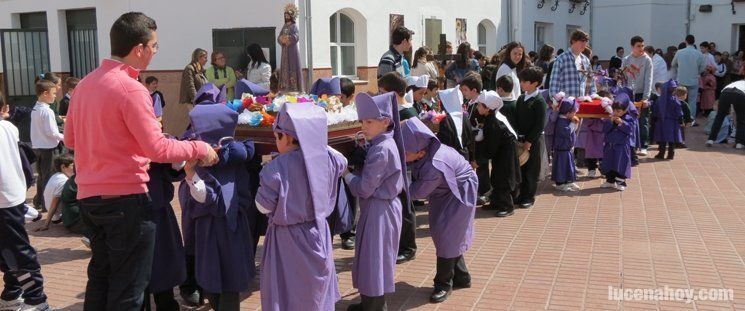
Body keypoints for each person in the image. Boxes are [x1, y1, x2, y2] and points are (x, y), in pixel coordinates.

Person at [64, 12, 219, 310]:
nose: (155, 52)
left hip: (90, 198)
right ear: (139, 49)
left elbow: (70, 140)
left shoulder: (84, 85)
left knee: (100, 278)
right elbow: (157, 149)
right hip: (125, 200)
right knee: (128, 289)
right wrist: (198, 147)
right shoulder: (131, 88)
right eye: (155, 46)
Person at [256, 102, 346, 311]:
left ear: (286, 137)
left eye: (277, 136)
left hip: (289, 239)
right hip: (319, 232)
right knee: (315, 291)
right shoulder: (329, 158)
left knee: (290, 294)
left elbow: (262, 207)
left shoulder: (276, 168)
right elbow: (342, 160)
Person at [179, 104, 256, 311]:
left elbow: (205, 197)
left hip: (214, 228)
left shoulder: (205, 164)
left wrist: (190, 174)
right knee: (221, 282)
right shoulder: (239, 155)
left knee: (223, 284)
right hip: (230, 228)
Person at [401, 117, 476, 303]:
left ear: (420, 152)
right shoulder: (425, 149)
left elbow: (416, 192)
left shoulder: (434, 165)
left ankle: (443, 284)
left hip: (459, 193)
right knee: (448, 234)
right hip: (445, 192)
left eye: (404, 152)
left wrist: (392, 192)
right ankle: (461, 276)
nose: (401, 155)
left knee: (447, 235)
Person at [344, 92, 406, 311]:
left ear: (386, 121)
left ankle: (376, 306)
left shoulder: (381, 149)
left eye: (369, 121)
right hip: (380, 208)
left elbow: (365, 188)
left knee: (375, 259)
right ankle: (368, 303)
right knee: (372, 257)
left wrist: (346, 175)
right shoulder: (383, 143)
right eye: (362, 121)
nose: (364, 126)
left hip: (380, 210)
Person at [0, 93, 51, 311]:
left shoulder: (6, 128)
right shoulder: (9, 127)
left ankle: (36, 300)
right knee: (7, 250)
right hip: (11, 197)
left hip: (5, 201)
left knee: (17, 251)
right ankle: (12, 295)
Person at [143, 159, 188, 311]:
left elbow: (173, 171)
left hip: (156, 205)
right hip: (130, 204)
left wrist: (176, 157)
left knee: (162, 266)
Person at [473, 91, 520, 217]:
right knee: (495, 176)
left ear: (488, 108)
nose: (477, 107)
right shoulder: (491, 117)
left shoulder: (494, 122)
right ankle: (496, 201)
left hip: (505, 153)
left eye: (479, 105)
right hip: (500, 152)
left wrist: (479, 161)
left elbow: (491, 147)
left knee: (503, 178)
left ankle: (507, 206)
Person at [514, 66, 547, 209]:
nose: (521, 83)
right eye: (521, 80)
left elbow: (539, 124)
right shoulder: (521, 98)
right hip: (521, 139)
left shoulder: (539, 101)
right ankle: (521, 194)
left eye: (525, 81)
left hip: (533, 141)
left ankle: (529, 196)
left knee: (531, 169)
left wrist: (529, 141)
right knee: (521, 167)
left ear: (535, 83)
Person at [30, 79, 62, 213]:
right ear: (45, 93)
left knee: (42, 176)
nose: (55, 96)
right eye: (53, 93)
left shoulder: (35, 108)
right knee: (48, 176)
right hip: (48, 148)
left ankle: (39, 201)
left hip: (38, 147)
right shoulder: (47, 111)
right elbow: (52, 132)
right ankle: (46, 204)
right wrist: (64, 137)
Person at [164, 48, 208, 137]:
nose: (206, 60)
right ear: (198, 57)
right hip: (193, 101)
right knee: (196, 121)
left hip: (201, 101)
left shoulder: (201, 70)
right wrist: (195, 100)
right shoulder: (190, 68)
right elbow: (190, 86)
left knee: (199, 121)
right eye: (205, 58)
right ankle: (192, 138)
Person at [622, 36, 653, 157]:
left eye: (642, 46)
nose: (641, 48)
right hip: (628, 93)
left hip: (641, 93)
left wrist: (646, 97)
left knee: (643, 120)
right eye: (638, 46)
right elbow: (622, 77)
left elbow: (648, 79)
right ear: (632, 47)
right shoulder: (626, 59)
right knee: (628, 119)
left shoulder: (647, 60)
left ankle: (644, 146)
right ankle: (631, 144)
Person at [601, 93, 635, 191]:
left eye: (618, 111)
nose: (615, 112)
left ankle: (621, 181)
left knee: (620, 163)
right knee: (609, 163)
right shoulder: (610, 118)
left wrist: (622, 123)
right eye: (614, 110)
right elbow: (604, 130)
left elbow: (630, 130)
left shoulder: (628, 119)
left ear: (624, 110)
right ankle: (610, 181)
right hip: (610, 145)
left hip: (621, 146)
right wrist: (610, 122)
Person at [549, 30, 596, 98]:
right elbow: (554, 84)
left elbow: (591, 81)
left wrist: (593, 96)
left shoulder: (586, 60)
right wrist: (555, 101)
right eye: (582, 41)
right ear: (573, 41)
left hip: (582, 103)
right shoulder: (561, 59)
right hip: (565, 104)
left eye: (586, 42)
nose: (584, 44)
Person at [34, 153, 74, 232]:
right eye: (72, 166)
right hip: (58, 217)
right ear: (63, 167)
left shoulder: (55, 175)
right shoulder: (63, 181)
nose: (75, 169)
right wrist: (46, 224)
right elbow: (54, 202)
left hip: (54, 215)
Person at [671, 35, 705, 125]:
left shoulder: (679, 52)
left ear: (685, 41)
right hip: (693, 79)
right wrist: (697, 72)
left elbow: (673, 64)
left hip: (681, 79)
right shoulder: (699, 53)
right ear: (694, 42)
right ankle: (691, 120)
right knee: (692, 101)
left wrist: (680, 68)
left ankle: (679, 118)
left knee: (679, 99)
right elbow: (702, 68)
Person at [437, 86, 474, 162]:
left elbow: (444, 143)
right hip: (465, 157)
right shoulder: (465, 117)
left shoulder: (445, 120)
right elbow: (471, 139)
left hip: (451, 159)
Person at [551, 98, 580, 192]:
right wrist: (573, 123)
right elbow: (566, 132)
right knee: (561, 167)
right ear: (567, 112)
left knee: (568, 166)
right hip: (561, 149)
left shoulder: (567, 119)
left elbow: (573, 131)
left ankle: (568, 181)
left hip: (567, 149)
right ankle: (560, 183)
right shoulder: (561, 121)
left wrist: (574, 123)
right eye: (573, 112)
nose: (574, 114)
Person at [706, 79, 745, 149]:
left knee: (719, 118)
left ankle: (710, 140)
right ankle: (739, 143)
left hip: (725, 92)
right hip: (740, 95)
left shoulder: (736, 82)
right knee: (741, 120)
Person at [651, 80, 684, 160]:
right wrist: (680, 120)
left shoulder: (660, 100)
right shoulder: (674, 100)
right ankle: (670, 154)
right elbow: (679, 111)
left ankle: (661, 153)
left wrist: (654, 119)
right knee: (671, 139)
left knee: (662, 139)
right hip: (672, 122)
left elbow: (655, 111)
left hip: (662, 122)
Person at [278, 4, 304, 92]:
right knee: (285, 67)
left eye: (287, 15)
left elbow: (296, 36)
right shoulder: (284, 26)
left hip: (292, 50)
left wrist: (288, 38)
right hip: (285, 51)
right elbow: (279, 37)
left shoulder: (294, 26)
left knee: (292, 66)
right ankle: (285, 88)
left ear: (291, 16)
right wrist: (281, 39)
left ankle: (294, 88)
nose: (286, 16)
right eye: (285, 15)